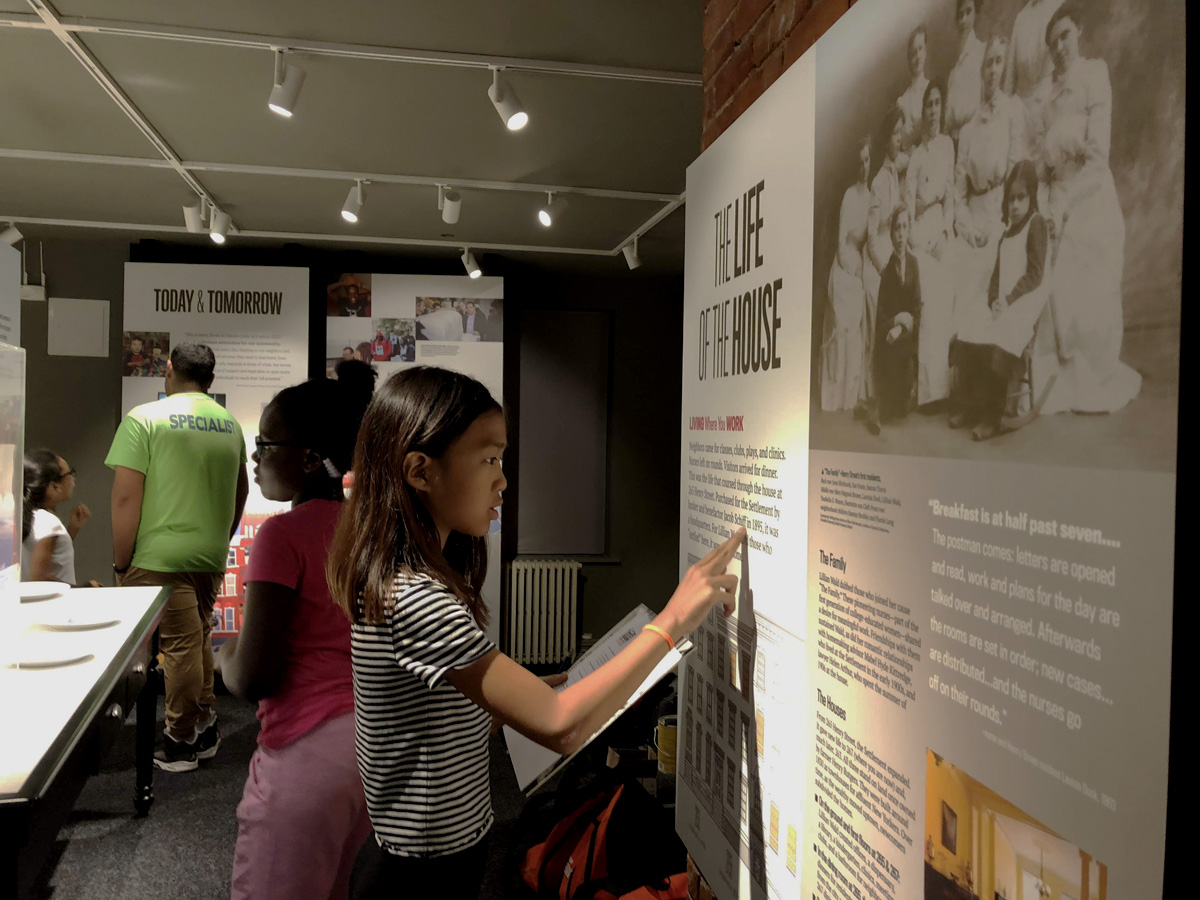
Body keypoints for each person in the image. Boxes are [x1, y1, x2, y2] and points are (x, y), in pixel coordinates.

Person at [326, 367, 744, 899]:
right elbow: (560, 728)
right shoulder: (417, 598)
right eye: (489, 459)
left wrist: (533, 691)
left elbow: (439, 710)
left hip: (428, 854)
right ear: (419, 471)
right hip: (421, 873)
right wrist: (672, 621)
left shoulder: (409, 579)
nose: (502, 479)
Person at [217, 376, 375, 900]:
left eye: (266, 444)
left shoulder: (281, 536)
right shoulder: (364, 530)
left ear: (309, 458)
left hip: (303, 753)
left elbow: (254, 675)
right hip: (366, 747)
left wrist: (219, 656)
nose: (254, 458)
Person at [106, 342, 249, 772]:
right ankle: (203, 724)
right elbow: (240, 491)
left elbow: (126, 498)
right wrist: (220, 537)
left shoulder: (144, 419)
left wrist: (120, 562)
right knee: (197, 637)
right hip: (208, 552)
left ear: (169, 370)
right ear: (210, 377)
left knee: (182, 646)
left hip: (158, 556)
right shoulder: (229, 424)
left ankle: (180, 738)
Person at [1037, 2, 1140, 414]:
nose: (1060, 46)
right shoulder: (1047, 97)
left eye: (1064, 35)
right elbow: (1045, 161)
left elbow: (1097, 156)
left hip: (1090, 191)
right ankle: (1056, 373)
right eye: (1052, 42)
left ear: (1078, 30)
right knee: (1047, 268)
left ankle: (1092, 370)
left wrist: (1068, 204)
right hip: (1057, 192)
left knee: (1085, 270)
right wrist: (1050, 201)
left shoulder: (1094, 75)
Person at [950, 161, 1050, 440]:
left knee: (1001, 336)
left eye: (1021, 198)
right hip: (1002, 303)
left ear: (1031, 197)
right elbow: (996, 273)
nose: (1015, 206)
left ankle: (992, 416)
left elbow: (1036, 274)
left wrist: (1008, 300)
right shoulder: (1006, 234)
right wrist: (994, 299)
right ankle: (971, 406)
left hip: (1023, 303)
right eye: (1011, 199)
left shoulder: (1036, 224)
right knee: (971, 326)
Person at [954, 36, 1029, 329]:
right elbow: (958, 193)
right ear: (981, 70)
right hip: (972, 215)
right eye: (988, 63)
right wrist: (966, 227)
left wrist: (998, 221)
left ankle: (989, 363)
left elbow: (1016, 175)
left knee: (993, 263)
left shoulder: (1012, 112)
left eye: (999, 61)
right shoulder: (969, 129)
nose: (993, 69)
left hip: (1001, 212)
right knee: (956, 266)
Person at [904, 79, 955, 406]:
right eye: (929, 105)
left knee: (945, 297)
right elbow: (909, 202)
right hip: (920, 231)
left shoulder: (948, 145)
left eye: (938, 103)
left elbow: (950, 194)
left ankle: (943, 389)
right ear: (923, 112)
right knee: (925, 299)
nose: (933, 110)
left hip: (940, 228)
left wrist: (945, 232)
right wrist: (916, 241)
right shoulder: (916, 155)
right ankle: (925, 393)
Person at [860, 110, 908, 416]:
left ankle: (898, 388)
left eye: (902, 133)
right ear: (886, 138)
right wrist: (884, 268)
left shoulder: (895, 171)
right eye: (895, 134)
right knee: (884, 304)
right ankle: (876, 395)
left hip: (891, 255)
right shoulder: (878, 181)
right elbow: (873, 237)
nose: (900, 139)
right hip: (876, 260)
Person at [820, 136, 872, 412]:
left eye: (867, 160)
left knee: (856, 324)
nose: (864, 167)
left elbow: (872, 238)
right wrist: (849, 265)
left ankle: (851, 394)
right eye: (859, 162)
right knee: (842, 320)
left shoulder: (872, 197)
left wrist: (863, 266)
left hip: (861, 263)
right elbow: (841, 241)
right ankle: (835, 393)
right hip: (844, 264)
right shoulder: (849, 196)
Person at [867, 207, 921, 435]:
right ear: (890, 235)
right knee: (890, 411)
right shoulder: (888, 272)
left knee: (900, 409)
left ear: (909, 231)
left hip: (907, 338)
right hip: (889, 342)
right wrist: (896, 321)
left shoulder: (914, 265)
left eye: (904, 227)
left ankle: (886, 400)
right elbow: (880, 321)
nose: (900, 234)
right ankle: (875, 405)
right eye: (896, 228)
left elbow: (917, 311)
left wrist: (902, 326)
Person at [21, 449, 89, 583]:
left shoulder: (29, 517)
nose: (73, 479)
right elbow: (38, 579)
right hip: (51, 603)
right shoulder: (49, 522)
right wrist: (85, 589)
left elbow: (50, 558)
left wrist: (71, 531)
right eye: (69, 473)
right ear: (54, 487)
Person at [1005, 0, 1066, 101]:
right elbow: (1011, 74)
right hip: (1020, 105)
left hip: (1050, 101)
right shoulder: (1022, 16)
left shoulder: (1061, 8)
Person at [944, 0, 985, 145]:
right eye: (960, 15)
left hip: (975, 138)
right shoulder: (953, 72)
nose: (964, 20)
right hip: (953, 140)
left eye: (968, 12)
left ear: (976, 14)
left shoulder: (982, 53)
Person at [896, 27, 930, 155]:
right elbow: (904, 143)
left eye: (920, 49)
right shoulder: (903, 101)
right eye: (913, 53)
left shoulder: (933, 90)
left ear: (925, 51)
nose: (917, 56)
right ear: (909, 60)